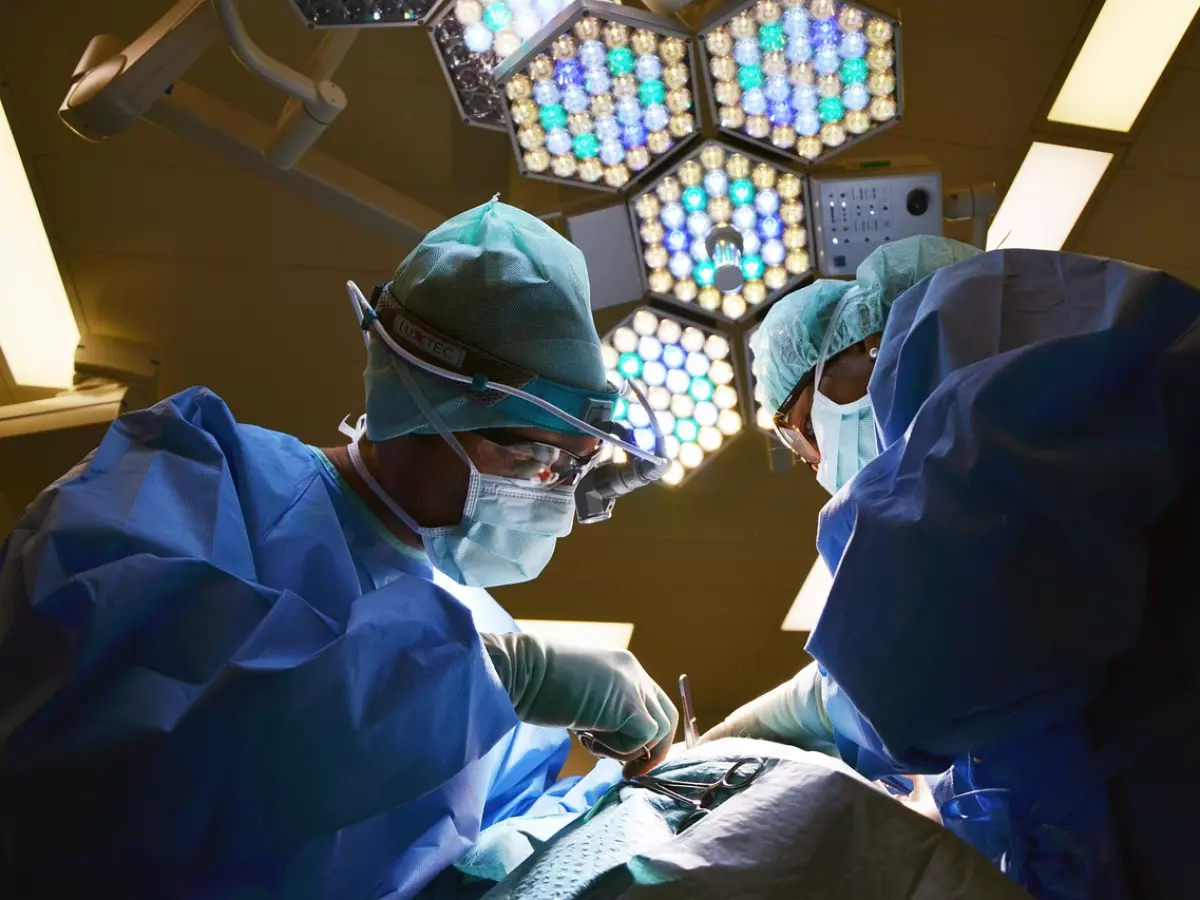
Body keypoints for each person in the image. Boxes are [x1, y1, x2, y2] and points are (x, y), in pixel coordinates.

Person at [0, 199, 678, 900]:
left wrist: (635, 801)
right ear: (428, 407)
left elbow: (491, 847)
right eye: (538, 461)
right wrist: (486, 677)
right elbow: (122, 731)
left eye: (572, 470)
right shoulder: (190, 473)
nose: (555, 494)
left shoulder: (473, 627)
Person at [703, 236, 1200, 900]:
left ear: (863, 351)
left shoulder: (976, 323)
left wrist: (819, 706)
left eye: (800, 432)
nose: (816, 465)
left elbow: (926, 666)